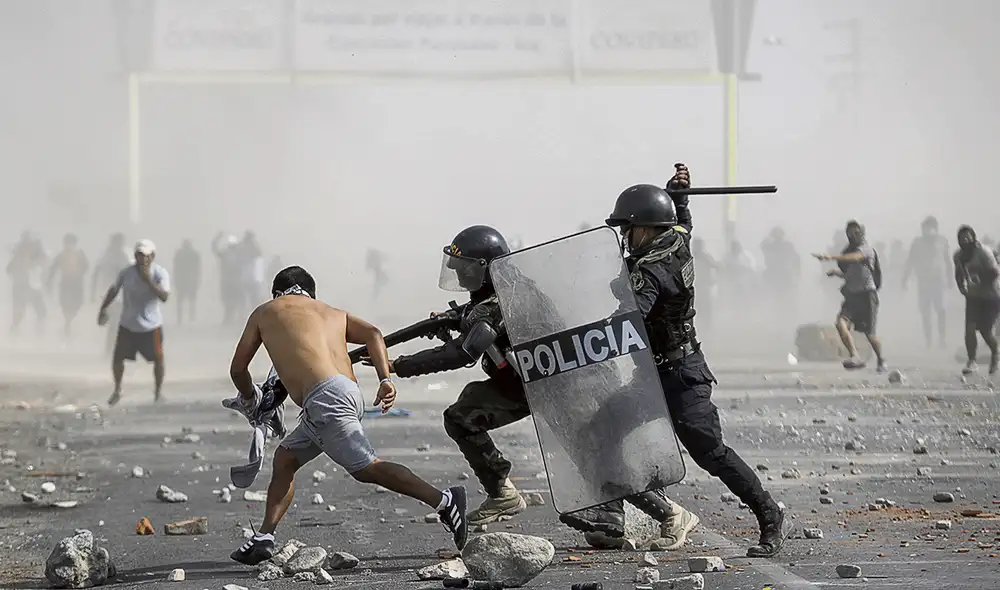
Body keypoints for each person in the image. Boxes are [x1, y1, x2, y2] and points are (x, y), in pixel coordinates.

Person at [368, 226, 701, 550]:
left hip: (570, 382)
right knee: (462, 416)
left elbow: (464, 353)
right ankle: (504, 494)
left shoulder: (506, 299)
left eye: (466, 269)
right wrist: (454, 323)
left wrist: (399, 365)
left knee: (595, 458)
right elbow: (482, 333)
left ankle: (673, 514)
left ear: (486, 269)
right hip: (524, 381)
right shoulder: (494, 294)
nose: (460, 276)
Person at [581, 164, 785, 559]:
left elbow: (633, 315)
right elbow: (683, 224)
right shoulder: (676, 241)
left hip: (680, 375)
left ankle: (770, 516)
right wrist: (680, 197)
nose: (626, 237)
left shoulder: (654, 268)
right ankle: (612, 516)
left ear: (647, 227)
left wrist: (593, 336)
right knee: (603, 429)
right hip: (651, 374)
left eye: (630, 229)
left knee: (710, 452)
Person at [226, 266, 468, 566]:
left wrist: (252, 401)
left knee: (366, 468)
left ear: (277, 293)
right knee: (285, 458)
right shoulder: (331, 312)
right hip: (345, 394)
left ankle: (444, 501)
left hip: (325, 399)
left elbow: (238, 370)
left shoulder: (266, 311)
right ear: (310, 293)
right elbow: (374, 334)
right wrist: (385, 379)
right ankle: (264, 538)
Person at [97, 239, 170, 405]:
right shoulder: (126, 273)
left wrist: (148, 280)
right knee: (118, 358)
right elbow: (114, 290)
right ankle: (117, 389)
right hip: (128, 323)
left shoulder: (159, 273)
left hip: (151, 325)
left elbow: (164, 296)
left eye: (146, 256)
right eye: (139, 255)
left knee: (158, 359)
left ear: (152, 256)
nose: (142, 260)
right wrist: (103, 309)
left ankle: (158, 393)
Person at [813, 221, 887, 372]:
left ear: (861, 233)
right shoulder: (848, 251)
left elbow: (856, 257)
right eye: (850, 233)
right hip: (852, 297)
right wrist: (836, 273)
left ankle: (881, 359)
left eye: (856, 232)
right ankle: (855, 355)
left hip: (867, 296)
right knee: (840, 324)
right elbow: (850, 274)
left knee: (870, 335)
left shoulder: (866, 249)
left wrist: (830, 257)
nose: (853, 235)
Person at [953, 226, 999, 375]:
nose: (965, 240)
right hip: (973, 297)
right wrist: (962, 288)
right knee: (970, 328)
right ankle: (972, 360)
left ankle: (995, 353)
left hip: (991, 296)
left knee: (986, 331)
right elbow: (958, 275)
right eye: (962, 238)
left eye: (968, 237)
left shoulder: (983, 252)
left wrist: (979, 282)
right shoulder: (958, 256)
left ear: (973, 237)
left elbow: (994, 272)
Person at [902, 216, 951, 348]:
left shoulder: (942, 241)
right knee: (925, 313)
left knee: (941, 311)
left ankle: (942, 338)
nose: (928, 230)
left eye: (930, 227)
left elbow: (948, 261)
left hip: (938, 282)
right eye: (925, 228)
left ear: (936, 228)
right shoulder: (917, 243)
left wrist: (951, 279)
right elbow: (910, 261)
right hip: (923, 282)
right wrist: (905, 279)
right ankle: (929, 340)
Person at [92, 233, 133, 354]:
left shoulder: (125, 255)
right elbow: (96, 271)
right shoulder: (107, 256)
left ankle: (114, 348)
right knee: (115, 322)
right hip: (110, 293)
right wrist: (93, 291)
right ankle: (111, 348)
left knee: (119, 322)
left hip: (121, 293)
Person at [47, 233, 90, 337]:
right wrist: (49, 281)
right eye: (67, 242)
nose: (68, 244)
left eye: (70, 242)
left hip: (76, 282)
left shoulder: (79, 254)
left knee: (77, 303)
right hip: (66, 281)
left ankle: (68, 322)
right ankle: (68, 323)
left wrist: (79, 274)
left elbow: (86, 266)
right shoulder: (61, 254)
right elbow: (53, 267)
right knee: (65, 303)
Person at [7, 231, 48, 334]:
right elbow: (9, 269)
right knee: (20, 310)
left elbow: (43, 263)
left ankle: (39, 331)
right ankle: (15, 328)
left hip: (31, 285)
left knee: (40, 311)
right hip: (22, 285)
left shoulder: (34, 254)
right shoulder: (19, 255)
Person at [172, 239, 202, 325]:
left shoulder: (180, 253)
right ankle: (190, 319)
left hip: (183, 279)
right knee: (190, 300)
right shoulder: (194, 254)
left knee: (182, 301)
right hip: (190, 279)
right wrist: (197, 279)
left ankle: (181, 319)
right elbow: (198, 269)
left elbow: (176, 268)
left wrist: (176, 279)